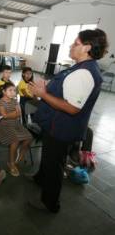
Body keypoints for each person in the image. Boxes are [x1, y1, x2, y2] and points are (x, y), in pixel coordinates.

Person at [28, 29, 108, 213]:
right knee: (48, 158)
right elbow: (67, 88)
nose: (72, 46)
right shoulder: (80, 67)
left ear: (87, 47)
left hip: (63, 127)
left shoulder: (84, 73)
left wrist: (42, 94)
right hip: (57, 124)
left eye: (76, 43)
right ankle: (40, 178)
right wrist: (48, 86)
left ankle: (49, 203)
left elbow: (72, 108)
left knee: (54, 163)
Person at [0, 82, 32, 176]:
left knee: (29, 138)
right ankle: (11, 163)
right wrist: (12, 114)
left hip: (16, 124)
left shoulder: (15, 101)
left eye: (14, 90)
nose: (13, 92)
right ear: (4, 92)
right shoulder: (0, 102)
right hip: (3, 126)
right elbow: (4, 117)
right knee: (15, 140)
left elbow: (18, 114)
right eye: (10, 90)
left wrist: (10, 114)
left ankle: (17, 159)